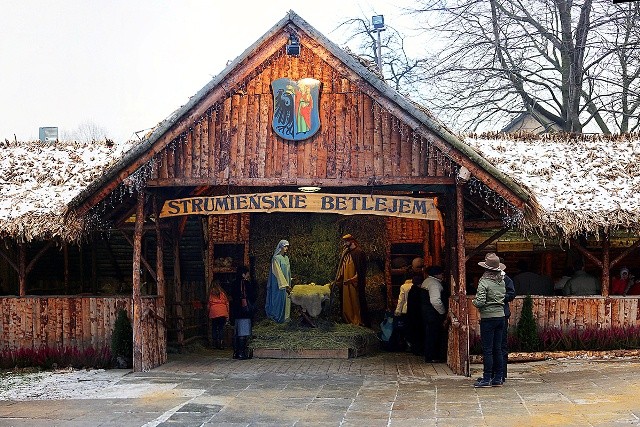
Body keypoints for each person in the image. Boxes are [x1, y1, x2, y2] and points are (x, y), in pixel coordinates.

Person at [473, 253, 506, 388]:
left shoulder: (484, 282)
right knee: (497, 348)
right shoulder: (501, 281)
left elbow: (480, 301)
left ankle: (487, 378)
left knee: (487, 349)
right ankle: (498, 377)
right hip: (500, 316)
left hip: (488, 317)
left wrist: (475, 302)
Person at [335, 234, 369, 326]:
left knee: (355, 302)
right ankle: (348, 319)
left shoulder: (359, 253)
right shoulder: (346, 253)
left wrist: (352, 280)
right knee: (347, 302)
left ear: (352, 241)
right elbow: (342, 267)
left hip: (354, 284)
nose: (344, 244)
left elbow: (361, 271)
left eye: (346, 241)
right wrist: (338, 279)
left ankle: (357, 319)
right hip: (346, 283)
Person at [421, 266, 447, 363]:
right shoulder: (434, 284)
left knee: (429, 334)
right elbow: (435, 300)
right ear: (436, 274)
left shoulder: (427, 281)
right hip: (433, 314)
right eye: (441, 274)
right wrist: (442, 312)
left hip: (427, 313)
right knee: (434, 334)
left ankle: (430, 355)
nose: (442, 275)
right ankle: (432, 356)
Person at [231, 265, 256, 359]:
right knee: (243, 332)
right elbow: (252, 296)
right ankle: (241, 353)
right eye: (247, 273)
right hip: (244, 311)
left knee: (236, 332)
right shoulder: (246, 284)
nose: (248, 275)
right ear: (243, 274)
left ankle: (235, 352)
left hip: (236, 310)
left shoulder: (234, 283)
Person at [265, 239, 292, 323]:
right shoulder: (276, 258)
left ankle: (285, 317)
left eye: (287, 246)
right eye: (285, 246)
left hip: (286, 282)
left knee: (286, 300)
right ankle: (277, 318)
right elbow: (278, 272)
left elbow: (287, 271)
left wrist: (289, 280)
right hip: (279, 284)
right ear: (280, 247)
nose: (286, 248)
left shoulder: (286, 258)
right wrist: (285, 284)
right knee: (278, 301)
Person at [406, 274, 426, 356]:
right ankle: (418, 349)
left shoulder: (412, 290)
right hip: (418, 315)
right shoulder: (418, 292)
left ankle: (415, 349)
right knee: (418, 333)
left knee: (414, 332)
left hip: (412, 315)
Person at [207, 280, 229, 349]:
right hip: (222, 312)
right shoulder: (222, 293)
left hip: (214, 312)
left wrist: (208, 312)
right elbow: (227, 303)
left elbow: (209, 304)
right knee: (221, 328)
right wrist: (227, 313)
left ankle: (215, 343)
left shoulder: (211, 294)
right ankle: (221, 343)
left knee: (214, 327)